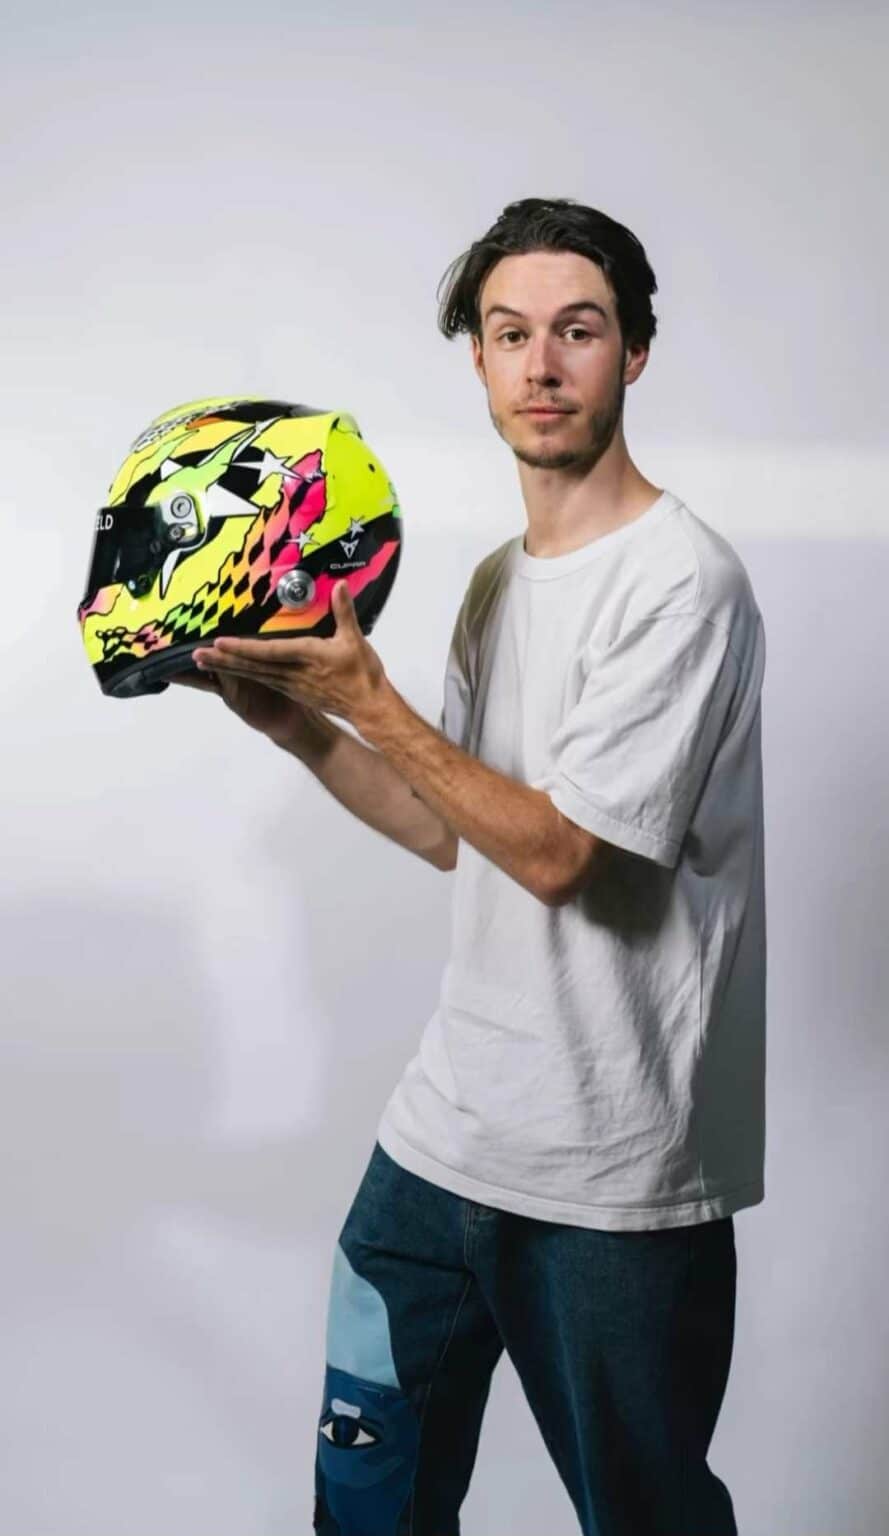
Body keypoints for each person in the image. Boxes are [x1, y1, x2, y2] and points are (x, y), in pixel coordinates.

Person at [184, 197, 766, 1536]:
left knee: (648, 1517)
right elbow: (462, 831)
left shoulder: (683, 584)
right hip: (439, 1148)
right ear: (479, 361)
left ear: (634, 352)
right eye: (511, 334)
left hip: (612, 1181)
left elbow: (558, 857)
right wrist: (296, 722)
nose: (541, 365)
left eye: (578, 330)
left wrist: (368, 697)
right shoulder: (502, 581)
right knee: (367, 1507)